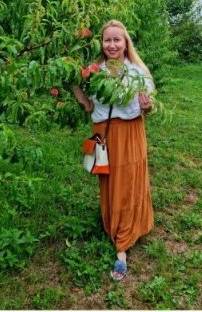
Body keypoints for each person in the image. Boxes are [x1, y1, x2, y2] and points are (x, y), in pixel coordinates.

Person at [72, 19, 154, 281]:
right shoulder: (95, 72)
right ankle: (114, 223)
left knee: (128, 183)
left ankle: (122, 245)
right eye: (107, 40)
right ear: (101, 43)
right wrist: (84, 101)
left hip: (130, 133)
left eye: (117, 39)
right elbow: (74, 83)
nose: (112, 45)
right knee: (109, 182)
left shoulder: (137, 72)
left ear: (125, 42)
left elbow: (147, 106)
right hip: (103, 133)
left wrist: (147, 107)